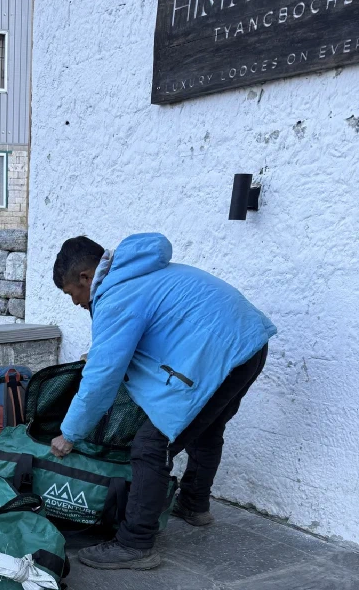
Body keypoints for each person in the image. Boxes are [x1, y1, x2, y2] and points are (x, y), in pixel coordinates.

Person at [51, 233, 277, 569]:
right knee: (207, 428)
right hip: (248, 344)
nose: (75, 302)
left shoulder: (116, 294)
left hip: (226, 354)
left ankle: (135, 543)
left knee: (151, 445)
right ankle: (194, 504)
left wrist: (69, 433)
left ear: (86, 277)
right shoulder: (136, 273)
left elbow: (102, 378)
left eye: (73, 293)